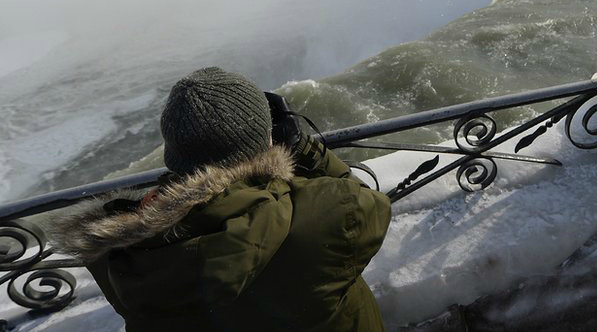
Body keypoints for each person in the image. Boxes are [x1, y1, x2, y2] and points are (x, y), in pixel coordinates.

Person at [55, 67, 391, 332]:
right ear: (267, 139)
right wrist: (305, 151)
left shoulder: (124, 255)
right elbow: (368, 204)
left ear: (175, 156)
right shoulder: (324, 214)